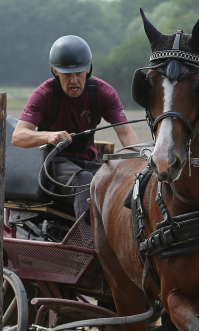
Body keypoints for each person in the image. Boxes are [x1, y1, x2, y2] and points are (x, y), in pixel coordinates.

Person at [12, 35, 139, 219]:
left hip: (90, 159)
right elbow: (18, 136)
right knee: (85, 181)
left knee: (117, 183)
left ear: (87, 69)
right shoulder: (43, 95)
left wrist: (139, 162)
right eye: (67, 74)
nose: (74, 81)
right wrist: (48, 136)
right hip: (57, 161)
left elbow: (125, 132)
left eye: (79, 73)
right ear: (55, 71)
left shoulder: (103, 92)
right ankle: (85, 240)